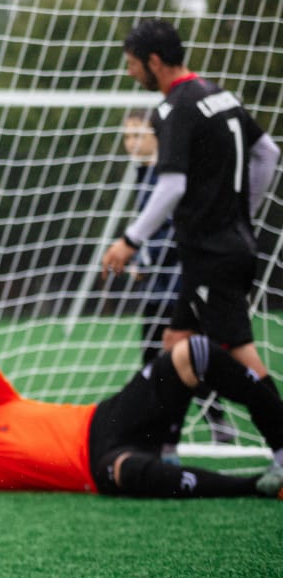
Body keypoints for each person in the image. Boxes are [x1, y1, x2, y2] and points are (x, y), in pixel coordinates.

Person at [101, 19, 280, 388]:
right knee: (174, 342)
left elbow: (172, 186)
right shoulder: (219, 95)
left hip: (212, 252)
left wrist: (129, 240)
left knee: (238, 355)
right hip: (225, 246)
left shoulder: (174, 109)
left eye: (132, 63)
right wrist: (244, 209)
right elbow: (268, 152)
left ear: (153, 61)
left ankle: (278, 438)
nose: (129, 72)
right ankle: (161, 443)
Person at [0, 340, 283, 499]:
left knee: (191, 353)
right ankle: (257, 486)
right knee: (127, 471)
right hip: (95, 467)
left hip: (106, 419)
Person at [120, 109, 233, 450]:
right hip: (156, 285)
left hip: (176, 284)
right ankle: (164, 431)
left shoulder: (168, 177)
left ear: (157, 136)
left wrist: (146, 254)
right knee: (154, 358)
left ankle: (200, 426)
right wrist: (141, 259)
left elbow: (173, 229)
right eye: (127, 136)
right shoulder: (144, 174)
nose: (131, 142)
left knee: (178, 358)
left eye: (138, 134)